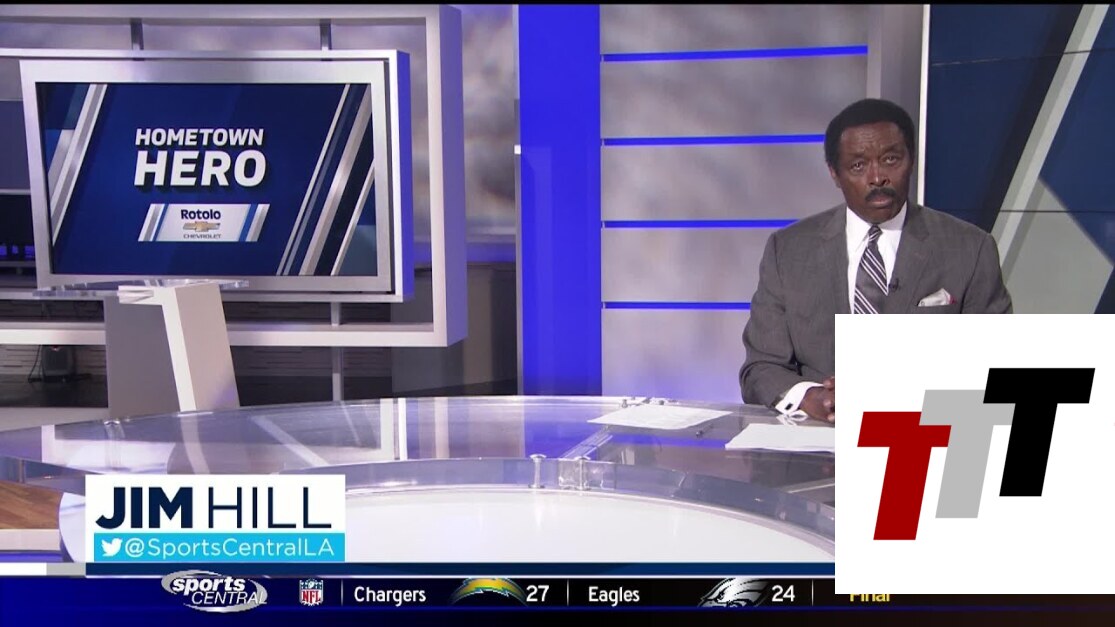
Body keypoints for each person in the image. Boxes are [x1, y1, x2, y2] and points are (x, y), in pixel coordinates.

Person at [738, 98, 1012, 423]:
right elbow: (761, 368)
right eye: (858, 166)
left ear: (911, 160)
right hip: (819, 439)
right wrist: (812, 397)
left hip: (923, 433)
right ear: (834, 174)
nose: (877, 177)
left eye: (891, 159)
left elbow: (997, 365)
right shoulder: (788, 251)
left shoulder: (970, 248)